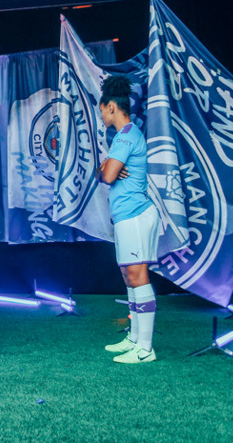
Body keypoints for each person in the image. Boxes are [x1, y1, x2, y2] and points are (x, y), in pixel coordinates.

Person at [96, 75, 160, 364]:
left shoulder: (125, 136)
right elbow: (105, 171)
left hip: (135, 215)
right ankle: (134, 339)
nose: (101, 116)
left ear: (111, 107)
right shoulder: (124, 137)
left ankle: (145, 349)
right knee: (128, 278)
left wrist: (107, 167)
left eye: (101, 110)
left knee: (137, 276)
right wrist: (106, 166)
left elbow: (107, 176)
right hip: (125, 217)